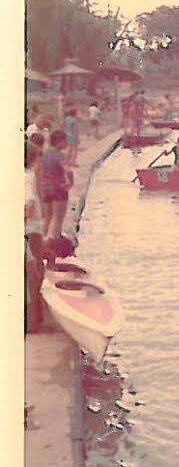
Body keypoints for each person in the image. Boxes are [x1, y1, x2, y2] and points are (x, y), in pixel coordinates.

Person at [25, 143, 45, 331]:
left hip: (31, 228)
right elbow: (29, 204)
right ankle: (34, 318)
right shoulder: (28, 176)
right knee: (34, 273)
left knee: (33, 272)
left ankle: (36, 315)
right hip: (31, 229)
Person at [41, 130, 73, 239]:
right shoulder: (60, 155)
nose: (67, 143)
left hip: (45, 188)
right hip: (58, 188)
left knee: (47, 218)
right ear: (59, 142)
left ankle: (42, 240)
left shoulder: (44, 154)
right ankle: (54, 242)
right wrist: (70, 182)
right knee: (57, 219)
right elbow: (68, 170)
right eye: (65, 141)